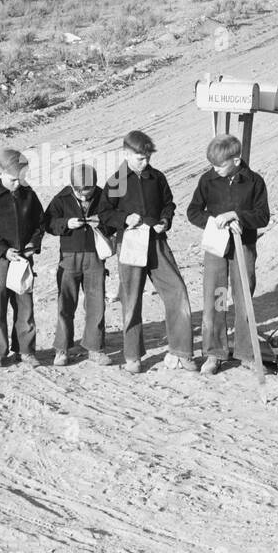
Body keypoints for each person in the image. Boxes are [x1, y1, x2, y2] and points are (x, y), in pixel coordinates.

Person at [101, 130, 195, 373]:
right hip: (130, 243)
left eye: (148, 157)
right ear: (126, 154)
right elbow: (104, 215)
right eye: (140, 158)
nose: (145, 162)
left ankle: (182, 350)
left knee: (178, 291)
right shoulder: (116, 181)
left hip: (156, 240)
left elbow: (168, 204)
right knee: (131, 300)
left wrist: (165, 220)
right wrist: (124, 219)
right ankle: (133, 356)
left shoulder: (157, 177)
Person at [186, 133, 270, 375]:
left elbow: (263, 216)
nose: (215, 169)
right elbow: (193, 211)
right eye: (212, 165)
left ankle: (245, 353)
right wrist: (213, 221)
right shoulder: (208, 180)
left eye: (219, 165)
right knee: (217, 298)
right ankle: (215, 353)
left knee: (243, 299)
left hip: (243, 247)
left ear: (236, 159)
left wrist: (238, 216)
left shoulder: (254, 181)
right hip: (216, 248)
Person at [0, 147, 44, 367]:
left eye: (22, 178)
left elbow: (40, 223)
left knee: (25, 307)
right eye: (14, 179)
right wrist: (3, 250)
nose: (18, 183)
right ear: (0, 173)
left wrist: (34, 242)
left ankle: (26, 350)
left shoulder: (29, 195)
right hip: (1, 260)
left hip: (23, 261)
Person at [42, 163, 112, 367]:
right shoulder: (61, 198)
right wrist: (65, 224)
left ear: (95, 184)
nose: (83, 195)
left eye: (88, 191)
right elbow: (47, 223)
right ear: (72, 186)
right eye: (79, 191)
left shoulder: (104, 197)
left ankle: (95, 347)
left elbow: (115, 221)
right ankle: (62, 349)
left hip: (95, 257)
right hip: (69, 257)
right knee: (66, 303)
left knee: (96, 302)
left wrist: (102, 223)